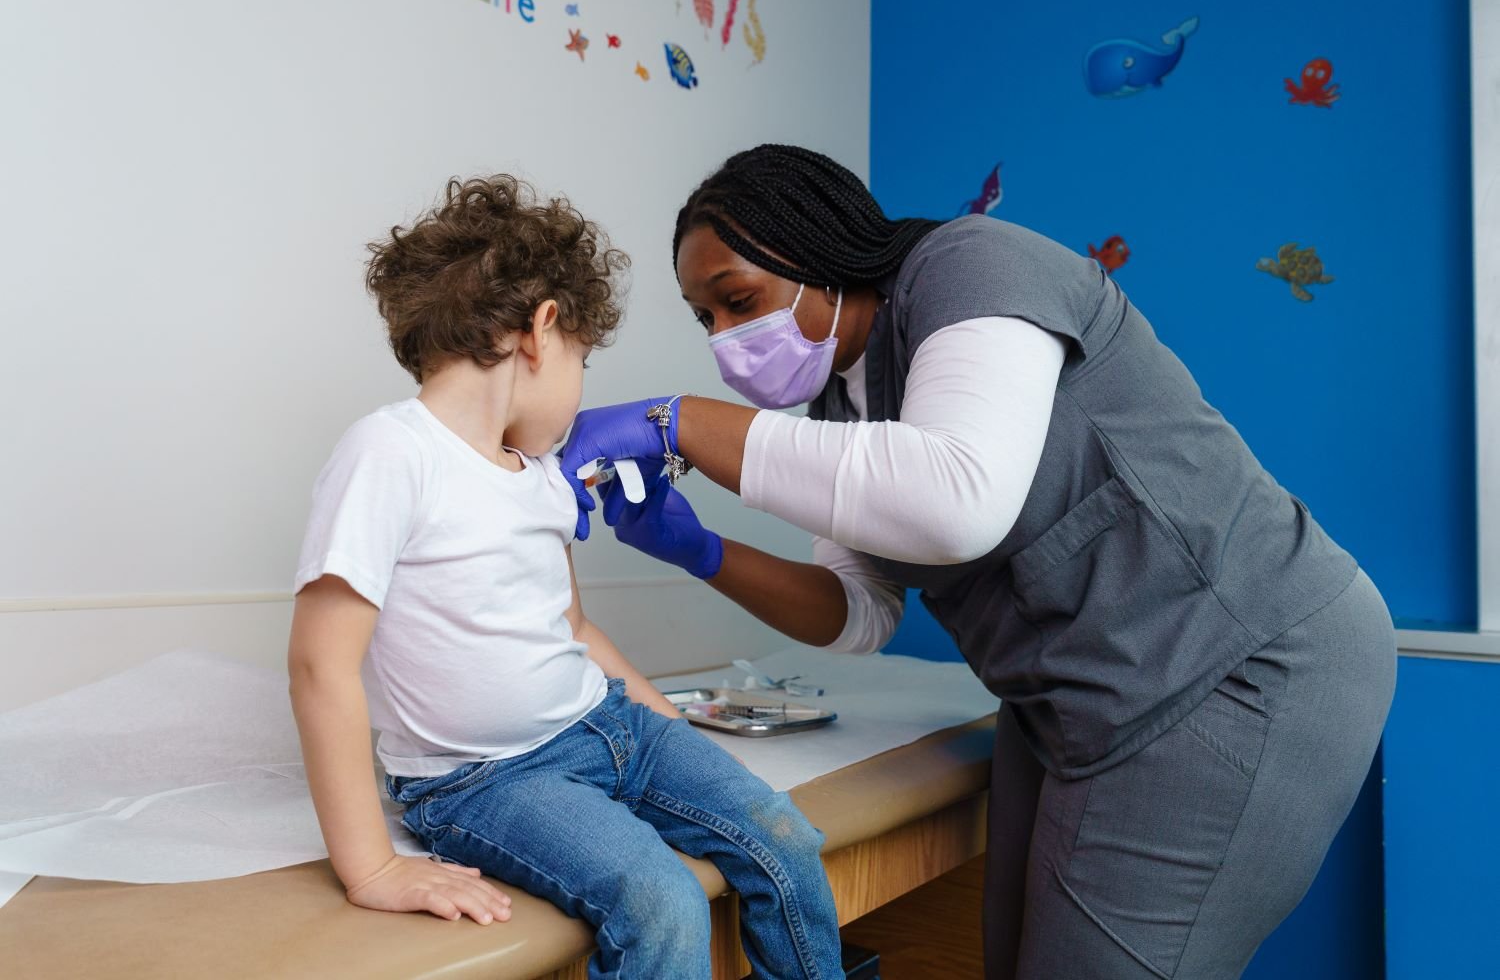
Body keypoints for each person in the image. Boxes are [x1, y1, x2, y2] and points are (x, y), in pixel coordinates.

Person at [561, 144, 1398, 979]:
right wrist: (698, 551)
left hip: (1233, 664)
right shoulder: (838, 402)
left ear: (821, 258)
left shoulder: (972, 266)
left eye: (739, 302)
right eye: (705, 319)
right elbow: (859, 612)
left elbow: (955, 500)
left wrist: (678, 422)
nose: (725, 341)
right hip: (1078, 696)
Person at [286, 175, 844, 980]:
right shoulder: (390, 452)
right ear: (543, 331)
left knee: (782, 834)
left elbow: (574, 631)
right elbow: (320, 665)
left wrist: (670, 731)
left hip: (609, 727)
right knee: (661, 897)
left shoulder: (541, 472)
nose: (582, 388)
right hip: (487, 781)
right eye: (583, 359)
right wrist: (371, 867)